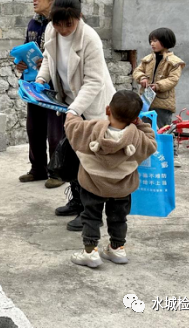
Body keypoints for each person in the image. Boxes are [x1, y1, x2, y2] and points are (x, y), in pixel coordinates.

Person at [36, 0, 116, 231]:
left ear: (79, 17)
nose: (62, 29)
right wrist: (41, 80)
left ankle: (90, 212)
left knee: (90, 161)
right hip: (70, 104)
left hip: (91, 106)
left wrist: (74, 110)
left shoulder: (90, 39)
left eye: (68, 24)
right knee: (73, 156)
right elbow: (49, 59)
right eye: (57, 23)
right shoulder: (51, 31)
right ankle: (77, 200)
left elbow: (94, 82)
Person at [65, 91, 157, 268]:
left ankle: (90, 253)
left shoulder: (90, 129)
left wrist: (72, 112)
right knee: (118, 218)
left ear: (108, 109)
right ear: (135, 118)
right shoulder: (138, 138)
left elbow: (71, 126)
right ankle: (117, 248)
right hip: (121, 188)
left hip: (92, 185)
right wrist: (142, 125)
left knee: (90, 217)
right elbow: (152, 143)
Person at [16, 0, 65, 189]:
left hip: (56, 84)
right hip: (33, 84)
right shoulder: (33, 23)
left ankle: (58, 171)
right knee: (33, 127)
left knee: (55, 131)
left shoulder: (62, 23)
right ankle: (38, 168)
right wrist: (20, 64)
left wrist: (47, 61)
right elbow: (28, 48)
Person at [133, 27, 184, 167]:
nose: (152, 43)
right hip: (146, 101)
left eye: (155, 40)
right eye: (151, 40)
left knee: (165, 129)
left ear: (165, 41)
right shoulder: (147, 59)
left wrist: (158, 85)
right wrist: (142, 77)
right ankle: (145, 155)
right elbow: (137, 72)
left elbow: (173, 79)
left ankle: (172, 155)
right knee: (143, 127)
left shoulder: (174, 61)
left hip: (163, 102)